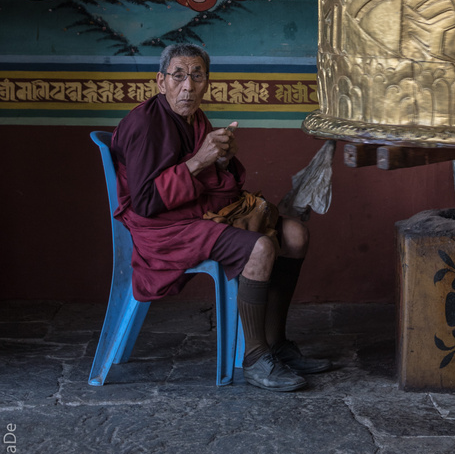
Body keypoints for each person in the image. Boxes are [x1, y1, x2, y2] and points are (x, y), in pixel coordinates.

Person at [111, 42, 330, 391]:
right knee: (260, 248)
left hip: (197, 214)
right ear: (160, 81)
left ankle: (276, 343)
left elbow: (218, 188)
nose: (188, 86)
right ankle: (256, 358)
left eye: (197, 76)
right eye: (178, 76)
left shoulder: (195, 118)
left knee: (295, 235)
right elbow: (147, 202)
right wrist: (200, 160)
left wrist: (223, 160)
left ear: (206, 82)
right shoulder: (144, 125)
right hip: (163, 228)